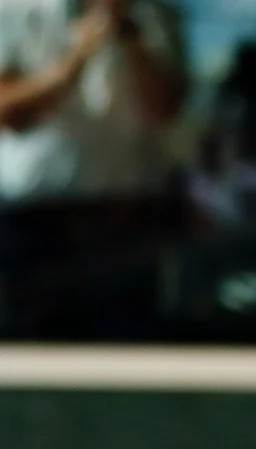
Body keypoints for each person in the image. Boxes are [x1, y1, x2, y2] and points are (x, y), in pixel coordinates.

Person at [0, 0, 180, 336]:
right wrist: (75, 59)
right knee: (35, 349)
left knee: (128, 347)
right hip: (36, 220)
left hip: (126, 218)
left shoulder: (153, 14)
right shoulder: (17, 10)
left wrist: (127, 35)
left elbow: (165, 109)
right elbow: (8, 111)